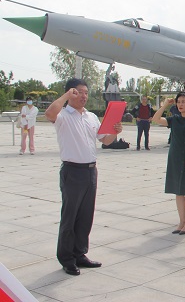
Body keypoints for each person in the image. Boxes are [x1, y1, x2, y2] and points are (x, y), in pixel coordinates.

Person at [45, 78, 123, 276]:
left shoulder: (91, 117)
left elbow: (105, 140)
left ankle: (80, 254)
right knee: (69, 217)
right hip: (72, 171)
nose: (83, 96)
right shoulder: (63, 115)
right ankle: (67, 258)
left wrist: (115, 132)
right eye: (79, 92)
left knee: (85, 216)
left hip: (90, 171)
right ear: (70, 92)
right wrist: (65, 96)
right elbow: (49, 113)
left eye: (86, 93)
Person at [152, 92, 185, 235]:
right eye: (178, 102)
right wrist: (165, 105)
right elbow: (156, 119)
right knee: (178, 192)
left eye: (183, 101)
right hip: (174, 158)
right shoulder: (174, 119)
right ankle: (181, 221)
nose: (180, 104)